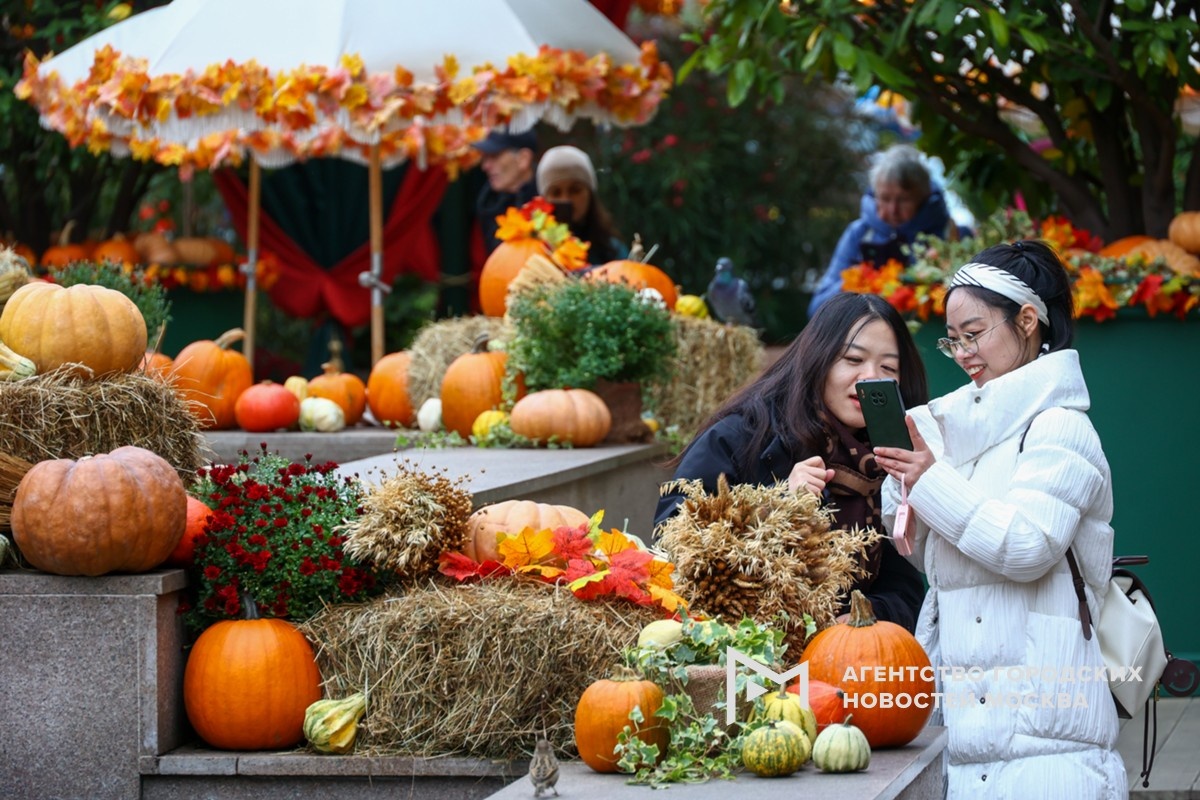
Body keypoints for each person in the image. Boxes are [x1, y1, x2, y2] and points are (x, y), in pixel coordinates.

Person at [874, 240, 1126, 798]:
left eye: (975, 332)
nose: (963, 353)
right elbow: (918, 547)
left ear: (1028, 320)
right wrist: (905, 479)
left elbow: (1026, 546)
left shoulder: (1062, 428)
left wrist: (929, 480)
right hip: (966, 731)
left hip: (1052, 741)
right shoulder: (960, 425)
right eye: (953, 339)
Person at [654, 292, 928, 631]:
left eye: (888, 367)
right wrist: (779, 505)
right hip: (746, 651)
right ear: (819, 359)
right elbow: (672, 536)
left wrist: (867, 617)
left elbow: (907, 586)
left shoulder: (893, 459)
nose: (870, 377)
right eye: (853, 360)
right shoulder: (745, 435)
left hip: (847, 658)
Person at [808, 144, 962, 316]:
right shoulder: (859, 234)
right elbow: (817, 309)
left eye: (903, 200)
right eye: (885, 198)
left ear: (923, 197)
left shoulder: (949, 234)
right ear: (875, 195)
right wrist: (859, 280)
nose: (893, 209)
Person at [535, 145, 626, 265]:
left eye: (575, 190)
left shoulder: (613, 250)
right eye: (556, 193)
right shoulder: (534, 249)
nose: (566, 199)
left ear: (590, 193)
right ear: (544, 199)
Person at [474, 129, 539, 255]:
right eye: (485, 157)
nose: (485, 166)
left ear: (523, 158)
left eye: (495, 156)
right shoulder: (487, 203)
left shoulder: (550, 197)